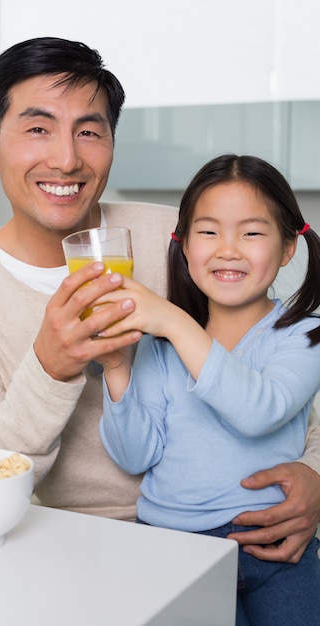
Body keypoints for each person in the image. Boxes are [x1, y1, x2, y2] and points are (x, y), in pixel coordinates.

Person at [0, 37, 320, 563]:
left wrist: (315, 472)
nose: (66, 159)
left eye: (88, 131)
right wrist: (51, 368)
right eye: (38, 128)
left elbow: (279, 360)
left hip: (235, 522)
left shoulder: (178, 239)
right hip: (77, 540)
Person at [99, 154, 320, 624]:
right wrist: (118, 370)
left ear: (287, 249)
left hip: (276, 549)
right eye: (209, 231)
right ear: (184, 246)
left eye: (252, 232)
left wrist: (174, 322)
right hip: (171, 547)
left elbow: (261, 408)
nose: (228, 249)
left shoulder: (304, 335)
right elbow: (136, 455)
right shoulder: (161, 346)